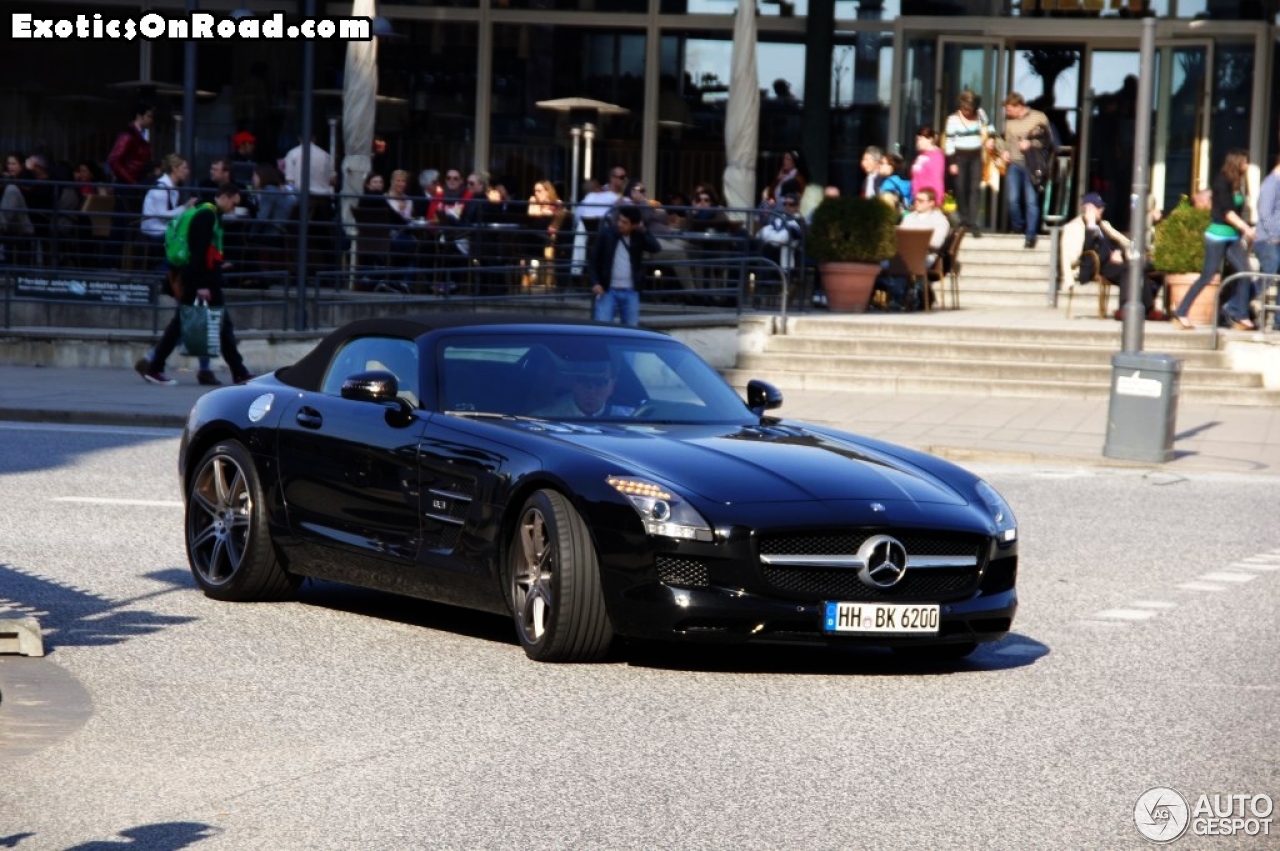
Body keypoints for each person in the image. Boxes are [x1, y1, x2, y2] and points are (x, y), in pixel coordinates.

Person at [137, 184, 253, 386]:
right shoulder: (207, 216)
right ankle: (155, 367)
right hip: (201, 281)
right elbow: (198, 253)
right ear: (226, 196)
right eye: (234, 201)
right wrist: (202, 284)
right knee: (184, 325)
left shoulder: (208, 214)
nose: (235, 206)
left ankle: (239, 371)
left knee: (218, 326)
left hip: (203, 279)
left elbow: (205, 252)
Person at [1172, 149, 1257, 331]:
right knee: (1208, 275)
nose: (1248, 165)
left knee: (1244, 272)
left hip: (1233, 236)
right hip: (1218, 235)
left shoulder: (1238, 184)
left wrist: (1245, 227)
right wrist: (1246, 228)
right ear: (1237, 162)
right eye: (1245, 162)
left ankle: (1241, 316)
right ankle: (1181, 312)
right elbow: (1227, 212)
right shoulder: (1222, 181)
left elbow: (1240, 209)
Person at [1061, 191, 1161, 319]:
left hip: (1115, 261)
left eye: (1101, 207)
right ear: (1088, 208)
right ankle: (1125, 308)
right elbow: (1080, 253)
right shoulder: (1075, 227)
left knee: (1149, 266)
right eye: (1098, 208)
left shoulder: (1103, 224)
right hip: (1096, 265)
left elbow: (1121, 241)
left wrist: (1123, 252)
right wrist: (1091, 228)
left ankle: (1148, 307)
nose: (1101, 210)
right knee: (1129, 269)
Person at [589, 204, 660, 326]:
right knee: (602, 327)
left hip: (630, 290)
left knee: (631, 330)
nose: (620, 224)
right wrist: (596, 282)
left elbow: (655, 247)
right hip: (608, 290)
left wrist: (644, 230)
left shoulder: (638, 236)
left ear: (634, 225)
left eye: (625, 222)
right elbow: (593, 260)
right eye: (619, 220)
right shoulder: (607, 234)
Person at [999, 92, 1052, 248]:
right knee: (1012, 199)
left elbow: (1047, 140)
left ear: (1018, 107)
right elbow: (1005, 141)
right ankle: (1018, 227)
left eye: (1009, 110)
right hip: (1014, 164)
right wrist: (1004, 151)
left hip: (1032, 165)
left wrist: (1030, 144)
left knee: (1031, 201)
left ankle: (1030, 235)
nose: (1007, 113)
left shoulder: (1038, 117)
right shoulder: (1009, 123)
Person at [944, 90, 991, 235]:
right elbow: (949, 141)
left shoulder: (980, 114)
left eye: (970, 109)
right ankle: (963, 220)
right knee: (960, 187)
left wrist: (991, 139)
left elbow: (989, 128)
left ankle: (973, 222)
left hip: (976, 156)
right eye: (965, 109)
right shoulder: (953, 120)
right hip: (959, 157)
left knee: (974, 188)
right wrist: (952, 162)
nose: (968, 112)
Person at [534, 355, 635, 419]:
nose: (591, 391)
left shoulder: (629, 419)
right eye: (584, 382)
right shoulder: (545, 420)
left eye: (600, 383)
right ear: (573, 383)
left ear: (612, 386)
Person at [106, 103, 155, 211]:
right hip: (128, 183)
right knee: (125, 217)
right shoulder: (129, 135)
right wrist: (131, 181)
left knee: (128, 218)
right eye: (148, 116)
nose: (151, 119)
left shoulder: (138, 134)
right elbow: (114, 160)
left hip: (133, 182)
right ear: (139, 116)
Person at [141, 154, 195, 243]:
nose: (187, 171)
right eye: (185, 168)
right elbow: (163, 216)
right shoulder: (161, 188)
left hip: (165, 227)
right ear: (174, 168)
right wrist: (184, 208)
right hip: (154, 230)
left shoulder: (174, 188)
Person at [1254, 153, 1280, 330]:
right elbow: (1264, 211)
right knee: (1269, 274)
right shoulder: (1271, 183)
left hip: (1276, 239)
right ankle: (1237, 305)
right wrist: (1274, 234)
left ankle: (1278, 320)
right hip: (1269, 240)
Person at [900, 187, 951, 270]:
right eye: (916, 200)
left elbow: (936, 243)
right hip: (905, 254)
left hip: (926, 255)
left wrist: (915, 240)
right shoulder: (909, 217)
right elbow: (900, 235)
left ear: (931, 203)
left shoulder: (940, 220)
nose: (917, 203)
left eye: (921, 201)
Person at [911, 127, 946, 207]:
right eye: (917, 139)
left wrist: (938, 201)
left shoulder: (936, 156)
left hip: (928, 199)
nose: (918, 142)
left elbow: (937, 178)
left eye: (921, 139)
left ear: (930, 139)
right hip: (917, 198)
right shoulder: (921, 155)